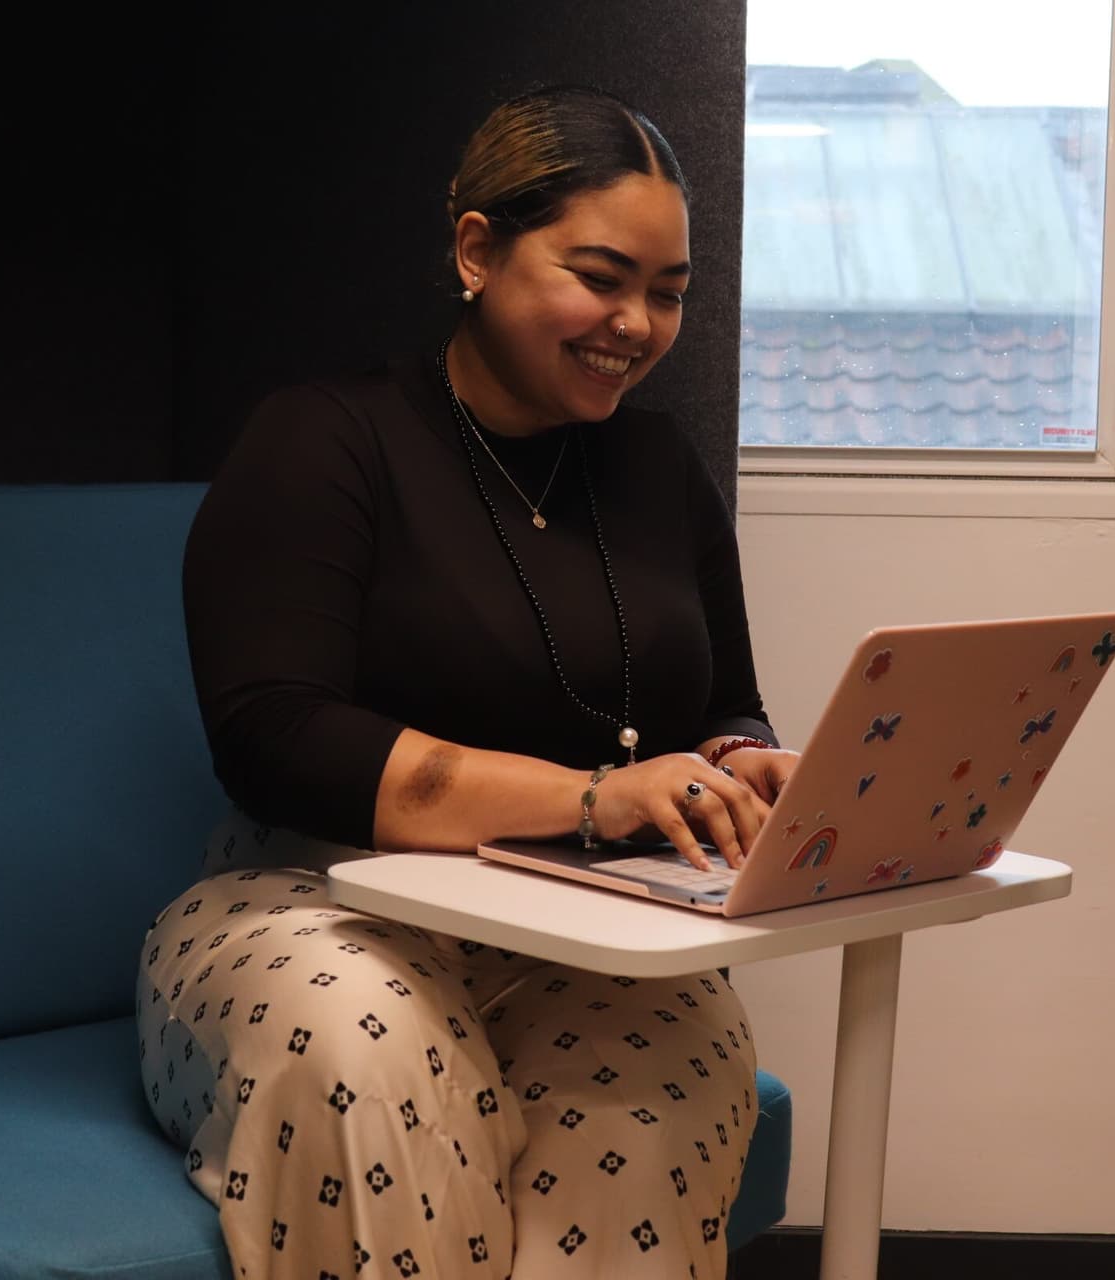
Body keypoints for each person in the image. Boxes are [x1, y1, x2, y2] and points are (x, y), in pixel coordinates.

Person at [140, 84, 800, 1279]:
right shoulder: (321, 439)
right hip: (312, 905)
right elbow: (275, 737)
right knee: (364, 1057)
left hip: (584, 933)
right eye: (599, 276)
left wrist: (744, 766)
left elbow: (724, 707)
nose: (637, 323)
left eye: (668, 291)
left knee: (661, 1096)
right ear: (477, 250)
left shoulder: (658, 465)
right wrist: (593, 796)